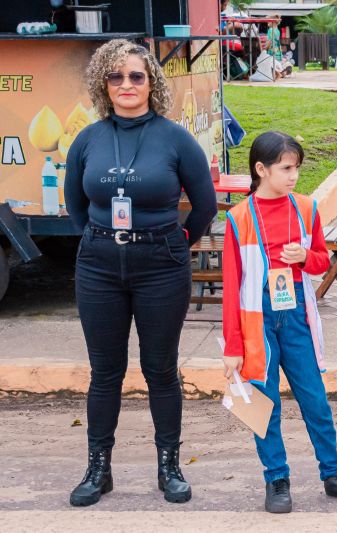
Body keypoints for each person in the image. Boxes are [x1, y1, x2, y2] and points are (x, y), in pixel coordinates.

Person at [64, 39, 217, 507]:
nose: (126, 84)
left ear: (152, 83)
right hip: (99, 266)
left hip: (161, 267)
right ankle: (98, 469)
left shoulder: (175, 138)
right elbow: (76, 205)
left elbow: (205, 205)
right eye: (116, 76)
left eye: (136, 76)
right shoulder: (88, 139)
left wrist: (174, 243)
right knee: (104, 372)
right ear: (103, 84)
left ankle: (169, 467)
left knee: (160, 370)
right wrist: (103, 238)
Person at [222, 131, 337, 513]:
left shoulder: (306, 208)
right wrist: (233, 346)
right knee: (263, 403)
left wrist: (304, 256)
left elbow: (322, 262)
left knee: (315, 399)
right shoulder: (238, 218)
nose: (294, 176)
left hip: (297, 315)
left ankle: (333, 473)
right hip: (256, 319)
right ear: (261, 169)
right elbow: (231, 287)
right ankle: (276, 479)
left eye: (297, 168)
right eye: (286, 168)